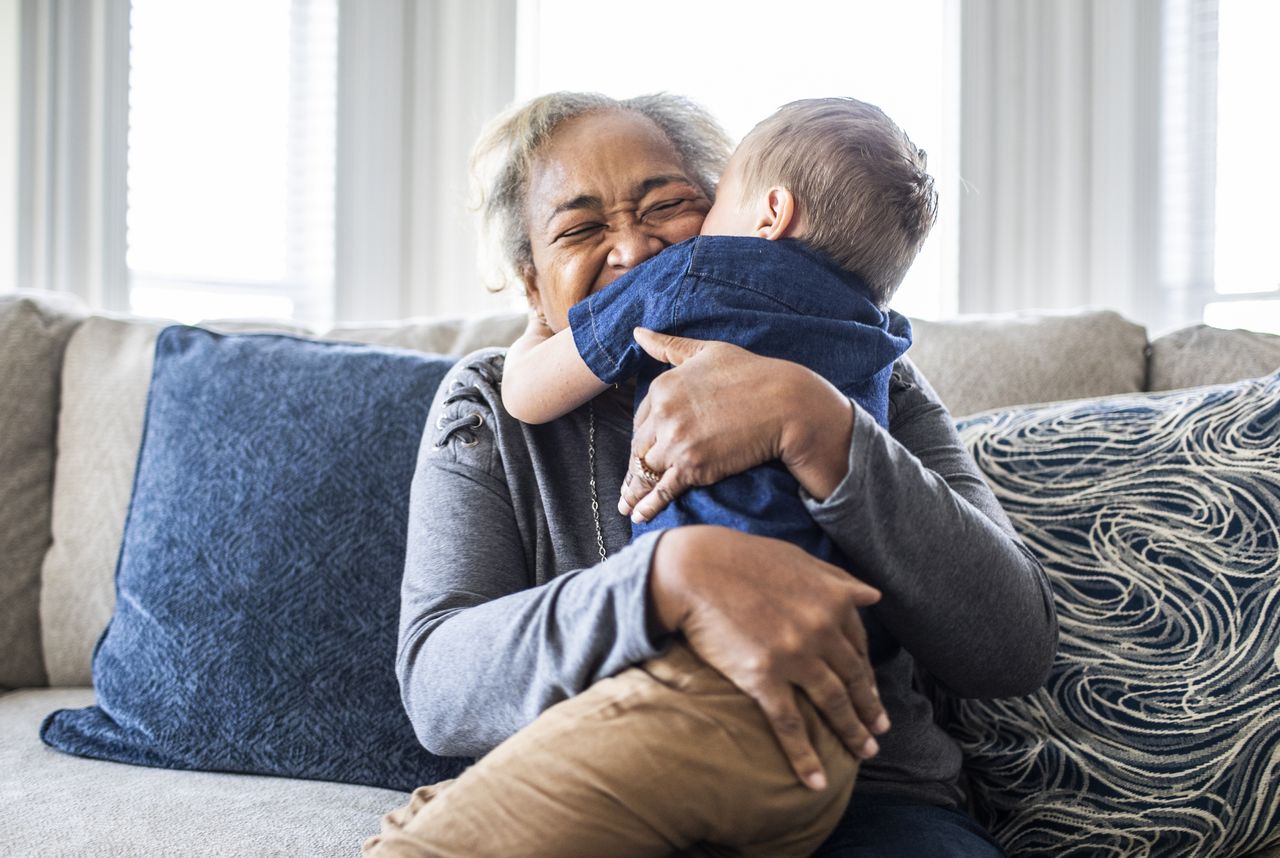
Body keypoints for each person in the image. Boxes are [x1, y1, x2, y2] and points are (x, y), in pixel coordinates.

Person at [365, 91, 1057, 857]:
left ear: (738, 216)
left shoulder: (868, 372)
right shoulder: (490, 404)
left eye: (668, 206)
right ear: (532, 283)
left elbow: (1012, 648)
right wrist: (663, 579)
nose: (634, 251)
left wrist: (820, 427)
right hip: (615, 785)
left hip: (869, 798)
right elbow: (439, 685)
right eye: (581, 228)